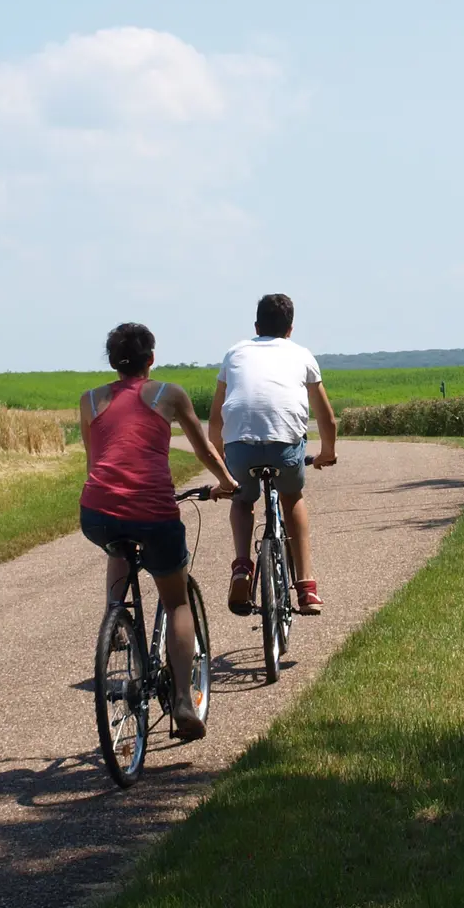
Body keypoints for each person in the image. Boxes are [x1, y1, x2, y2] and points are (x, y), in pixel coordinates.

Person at [79, 322, 238, 741]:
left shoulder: (90, 400)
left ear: (113, 362)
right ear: (151, 359)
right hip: (153, 511)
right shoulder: (170, 394)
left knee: (118, 542)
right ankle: (184, 702)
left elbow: (95, 458)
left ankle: (115, 617)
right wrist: (227, 482)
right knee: (177, 601)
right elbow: (203, 448)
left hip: (96, 510)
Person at [209, 293, 338, 618]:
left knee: (241, 500)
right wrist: (326, 453)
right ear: (290, 329)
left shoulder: (235, 353)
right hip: (285, 444)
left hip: (240, 444)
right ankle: (306, 587)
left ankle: (241, 566)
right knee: (292, 497)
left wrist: (221, 469)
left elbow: (215, 420)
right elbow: (327, 419)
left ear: (256, 326)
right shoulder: (302, 355)